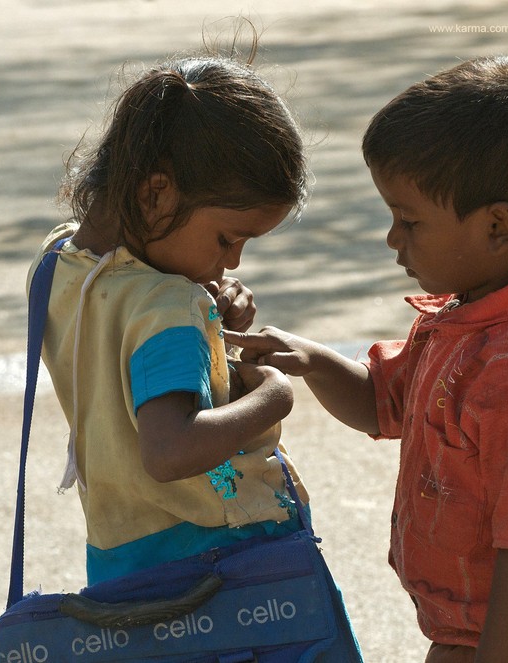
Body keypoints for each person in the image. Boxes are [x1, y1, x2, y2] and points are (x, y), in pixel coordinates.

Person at [227, 55, 508, 662]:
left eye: (408, 221)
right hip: (477, 633)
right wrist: (311, 360)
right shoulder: (459, 324)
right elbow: (380, 403)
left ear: (497, 226)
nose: (394, 239)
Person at [29, 48, 312, 587]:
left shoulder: (55, 263)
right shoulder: (169, 305)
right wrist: (273, 396)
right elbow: (169, 449)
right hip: (212, 556)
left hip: (119, 549)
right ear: (156, 193)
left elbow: (118, 353)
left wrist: (209, 322)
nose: (231, 262)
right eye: (227, 239)